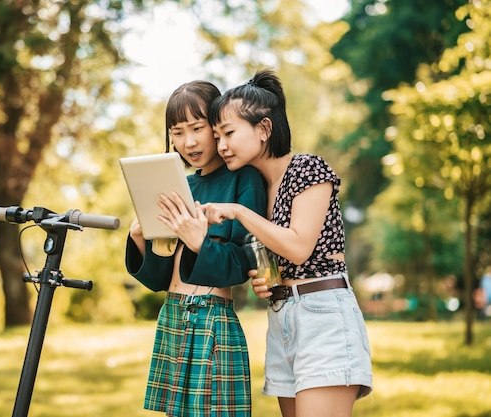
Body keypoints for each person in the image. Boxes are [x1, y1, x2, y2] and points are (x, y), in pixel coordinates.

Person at [201, 69, 373, 417]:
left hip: (322, 314)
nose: (221, 146)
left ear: (264, 129)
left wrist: (238, 212)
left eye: (229, 133)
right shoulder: (257, 190)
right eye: (217, 136)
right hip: (282, 319)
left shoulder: (308, 169)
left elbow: (298, 247)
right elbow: (278, 261)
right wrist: (264, 283)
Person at [124, 80, 268, 417]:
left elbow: (246, 262)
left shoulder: (244, 180)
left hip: (212, 317)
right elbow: (160, 278)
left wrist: (199, 242)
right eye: (177, 132)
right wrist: (139, 238)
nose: (188, 141)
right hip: (172, 314)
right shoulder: (180, 185)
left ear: (216, 127)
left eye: (197, 128)